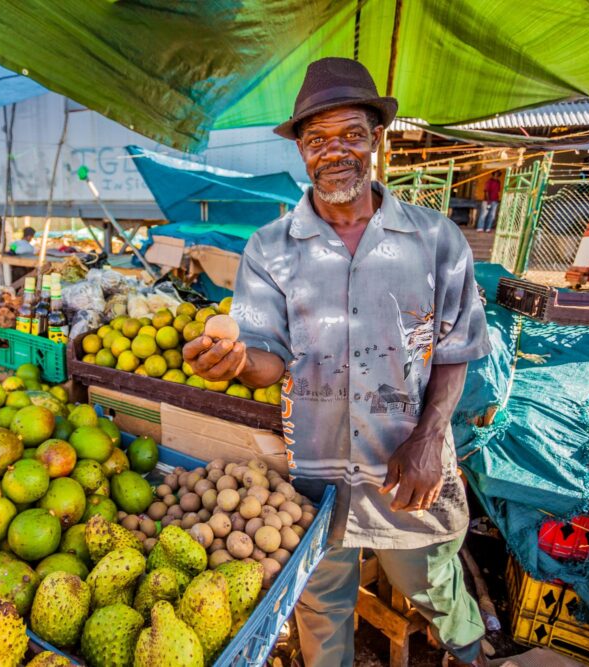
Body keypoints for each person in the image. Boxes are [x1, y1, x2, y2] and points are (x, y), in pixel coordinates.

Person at [184, 58, 491, 667]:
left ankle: (471, 647)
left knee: (427, 580)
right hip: (314, 471)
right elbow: (270, 359)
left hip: (404, 466)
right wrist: (239, 361)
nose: (335, 152)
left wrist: (431, 437)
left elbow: (458, 347)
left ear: (375, 138)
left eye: (351, 134)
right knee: (321, 601)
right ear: (301, 149)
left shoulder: (435, 240)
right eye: (318, 139)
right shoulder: (269, 248)